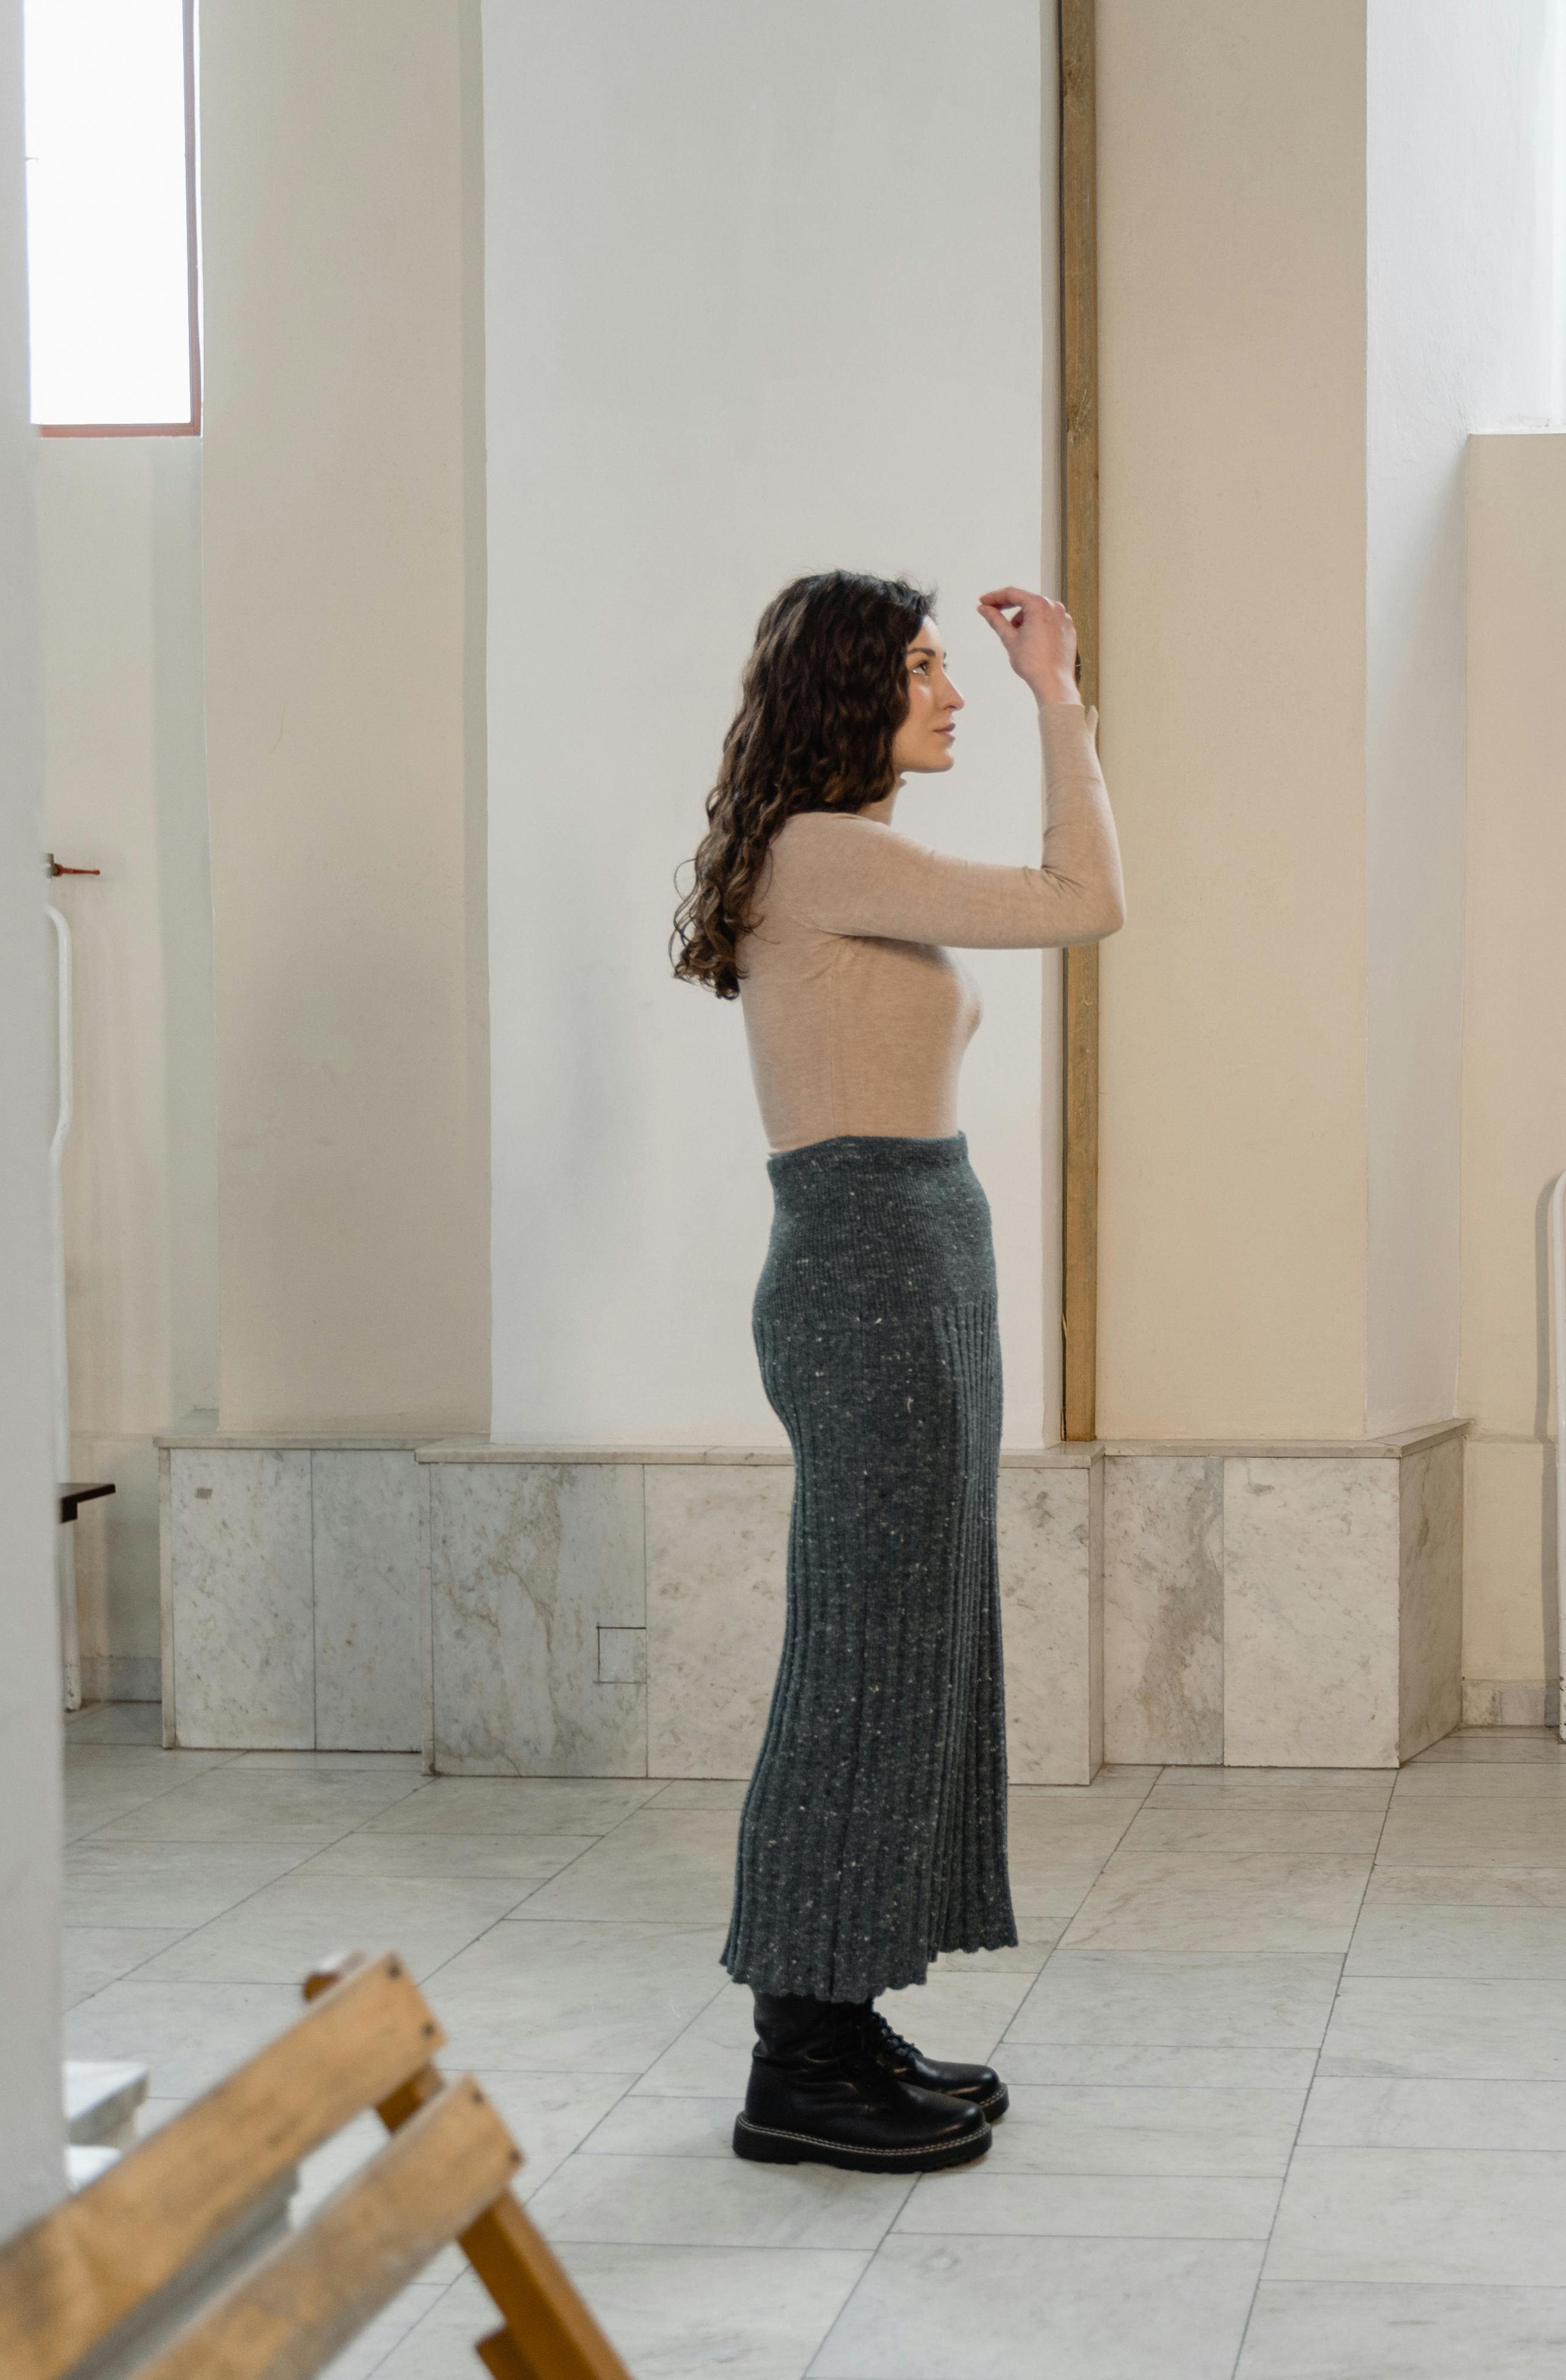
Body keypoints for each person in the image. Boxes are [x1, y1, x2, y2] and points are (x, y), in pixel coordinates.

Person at [669, 569, 1122, 2173]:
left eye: (956, 668)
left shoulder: (830, 852)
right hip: (870, 1269)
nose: (951, 694)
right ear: (853, 689)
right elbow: (1087, 901)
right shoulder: (824, 850)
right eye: (926, 671)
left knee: (909, 1640)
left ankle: (842, 2011)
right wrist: (1056, 697)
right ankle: (797, 2052)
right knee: (863, 1654)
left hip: (915, 1258)